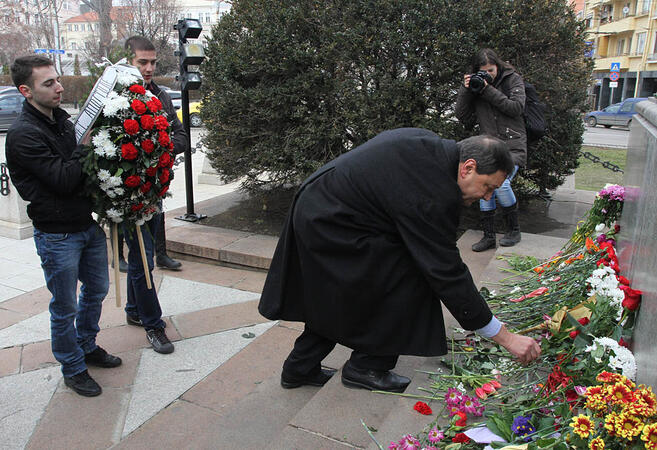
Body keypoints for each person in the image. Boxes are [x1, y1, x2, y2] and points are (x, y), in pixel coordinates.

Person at [258, 129, 541, 393]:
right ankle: (367, 367)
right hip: (330, 220)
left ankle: (299, 367)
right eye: (488, 187)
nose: (487, 198)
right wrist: (505, 337)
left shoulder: (435, 152)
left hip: (323, 207)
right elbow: (446, 271)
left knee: (340, 295)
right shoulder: (433, 190)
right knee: (409, 275)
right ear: (468, 168)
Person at [5, 55, 122, 397]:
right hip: (57, 235)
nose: (59, 87)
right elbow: (64, 179)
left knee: (98, 290)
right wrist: (86, 144)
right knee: (65, 305)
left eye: (57, 80)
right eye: (49, 83)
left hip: (85, 226)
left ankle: (86, 345)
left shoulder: (62, 121)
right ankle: (72, 366)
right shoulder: (23, 135)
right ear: (26, 90)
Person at [120, 36, 189, 353]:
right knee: (142, 259)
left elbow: (181, 135)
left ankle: (135, 311)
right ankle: (153, 324)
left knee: (142, 257)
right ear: (128, 61)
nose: (148, 68)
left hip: (155, 190)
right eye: (141, 62)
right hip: (128, 196)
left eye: (152, 63)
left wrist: (161, 152)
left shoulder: (160, 95)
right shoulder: (116, 98)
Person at [455, 48, 527, 252]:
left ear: (498, 66)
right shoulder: (476, 86)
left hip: (512, 146)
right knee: (483, 184)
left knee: (501, 185)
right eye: (483, 71)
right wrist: (466, 88)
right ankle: (488, 236)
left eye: (491, 70)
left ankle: (514, 230)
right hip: (488, 146)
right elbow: (461, 115)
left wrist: (487, 89)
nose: (488, 74)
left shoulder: (512, 80)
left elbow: (516, 108)